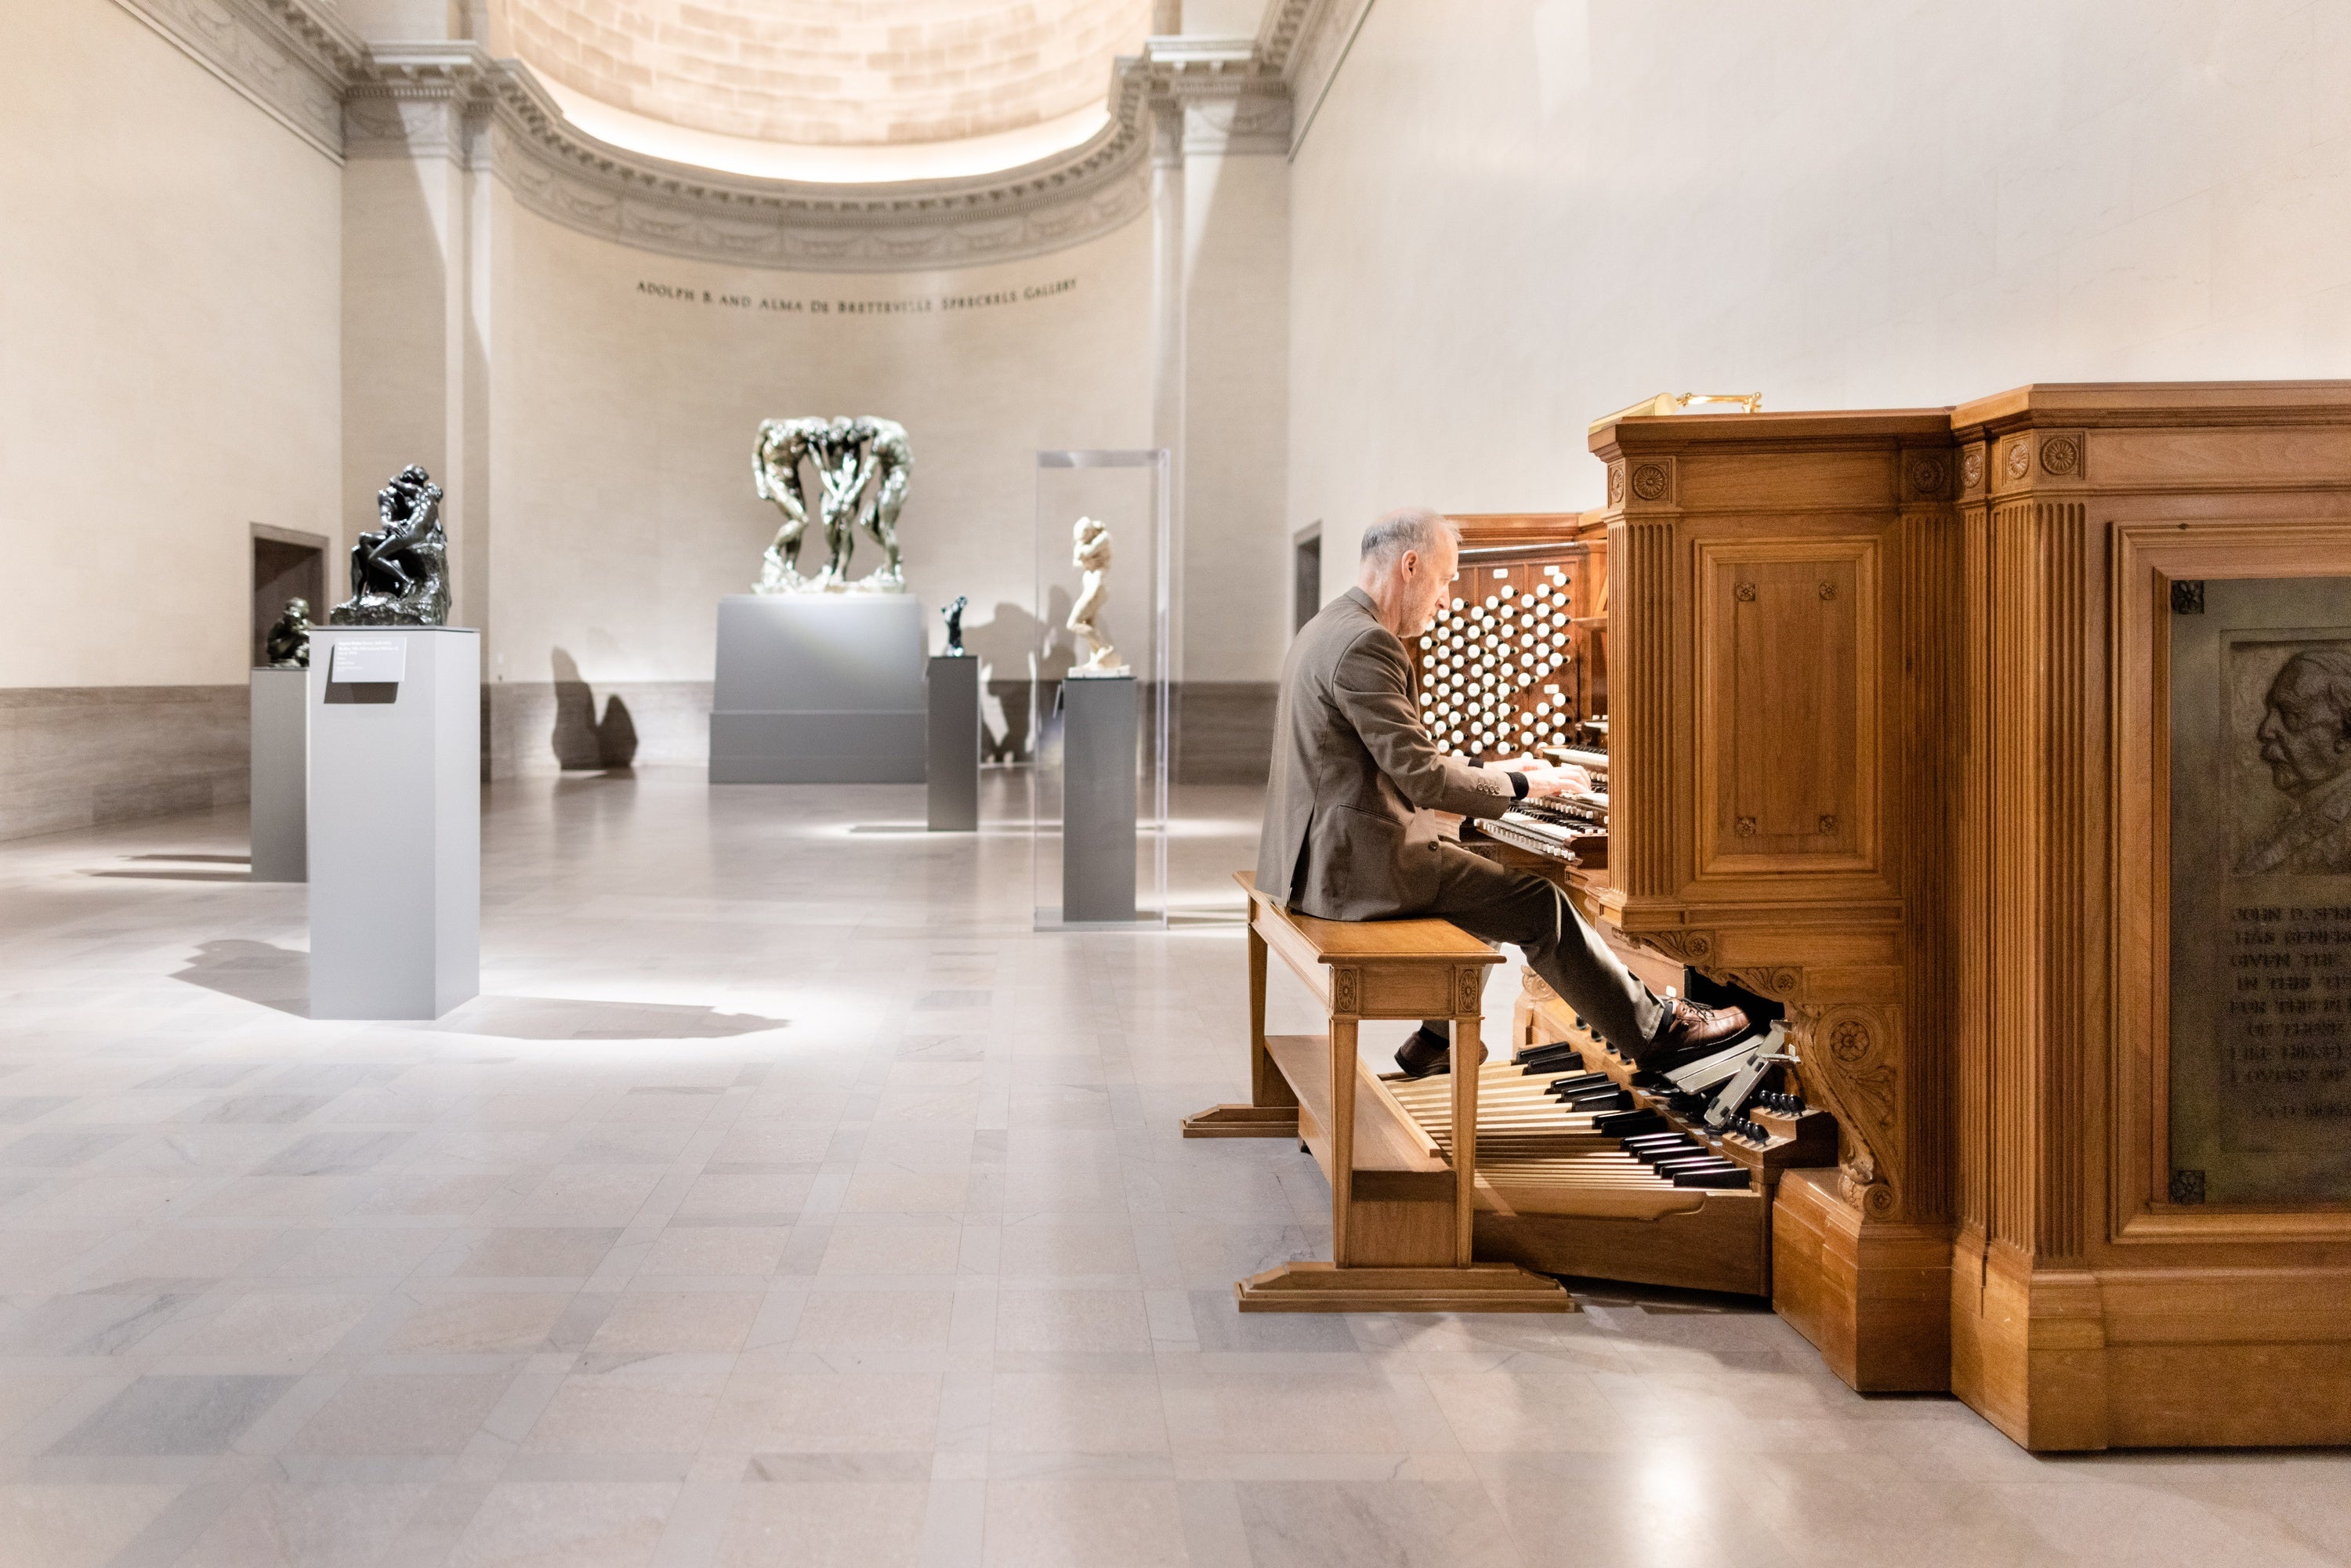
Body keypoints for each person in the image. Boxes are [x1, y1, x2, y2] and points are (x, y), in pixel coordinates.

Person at [1256, 506, 1747, 1077]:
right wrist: (1523, 783)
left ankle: (1435, 1041)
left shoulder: (1329, 625)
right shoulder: (1370, 644)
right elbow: (1423, 778)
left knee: (1480, 869)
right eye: (1443, 582)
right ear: (1410, 565)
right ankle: (1658, 1034)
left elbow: (1399, 758)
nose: (1443, 602)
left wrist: (1496, 766)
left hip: (1318, 858)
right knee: (1542, 905)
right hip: (1350, 874)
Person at [2237, 647, 2351, 875]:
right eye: (2270, 712)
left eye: (2290, 714)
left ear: (2345, 735)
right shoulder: (2302, 812)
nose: (2265, 730)